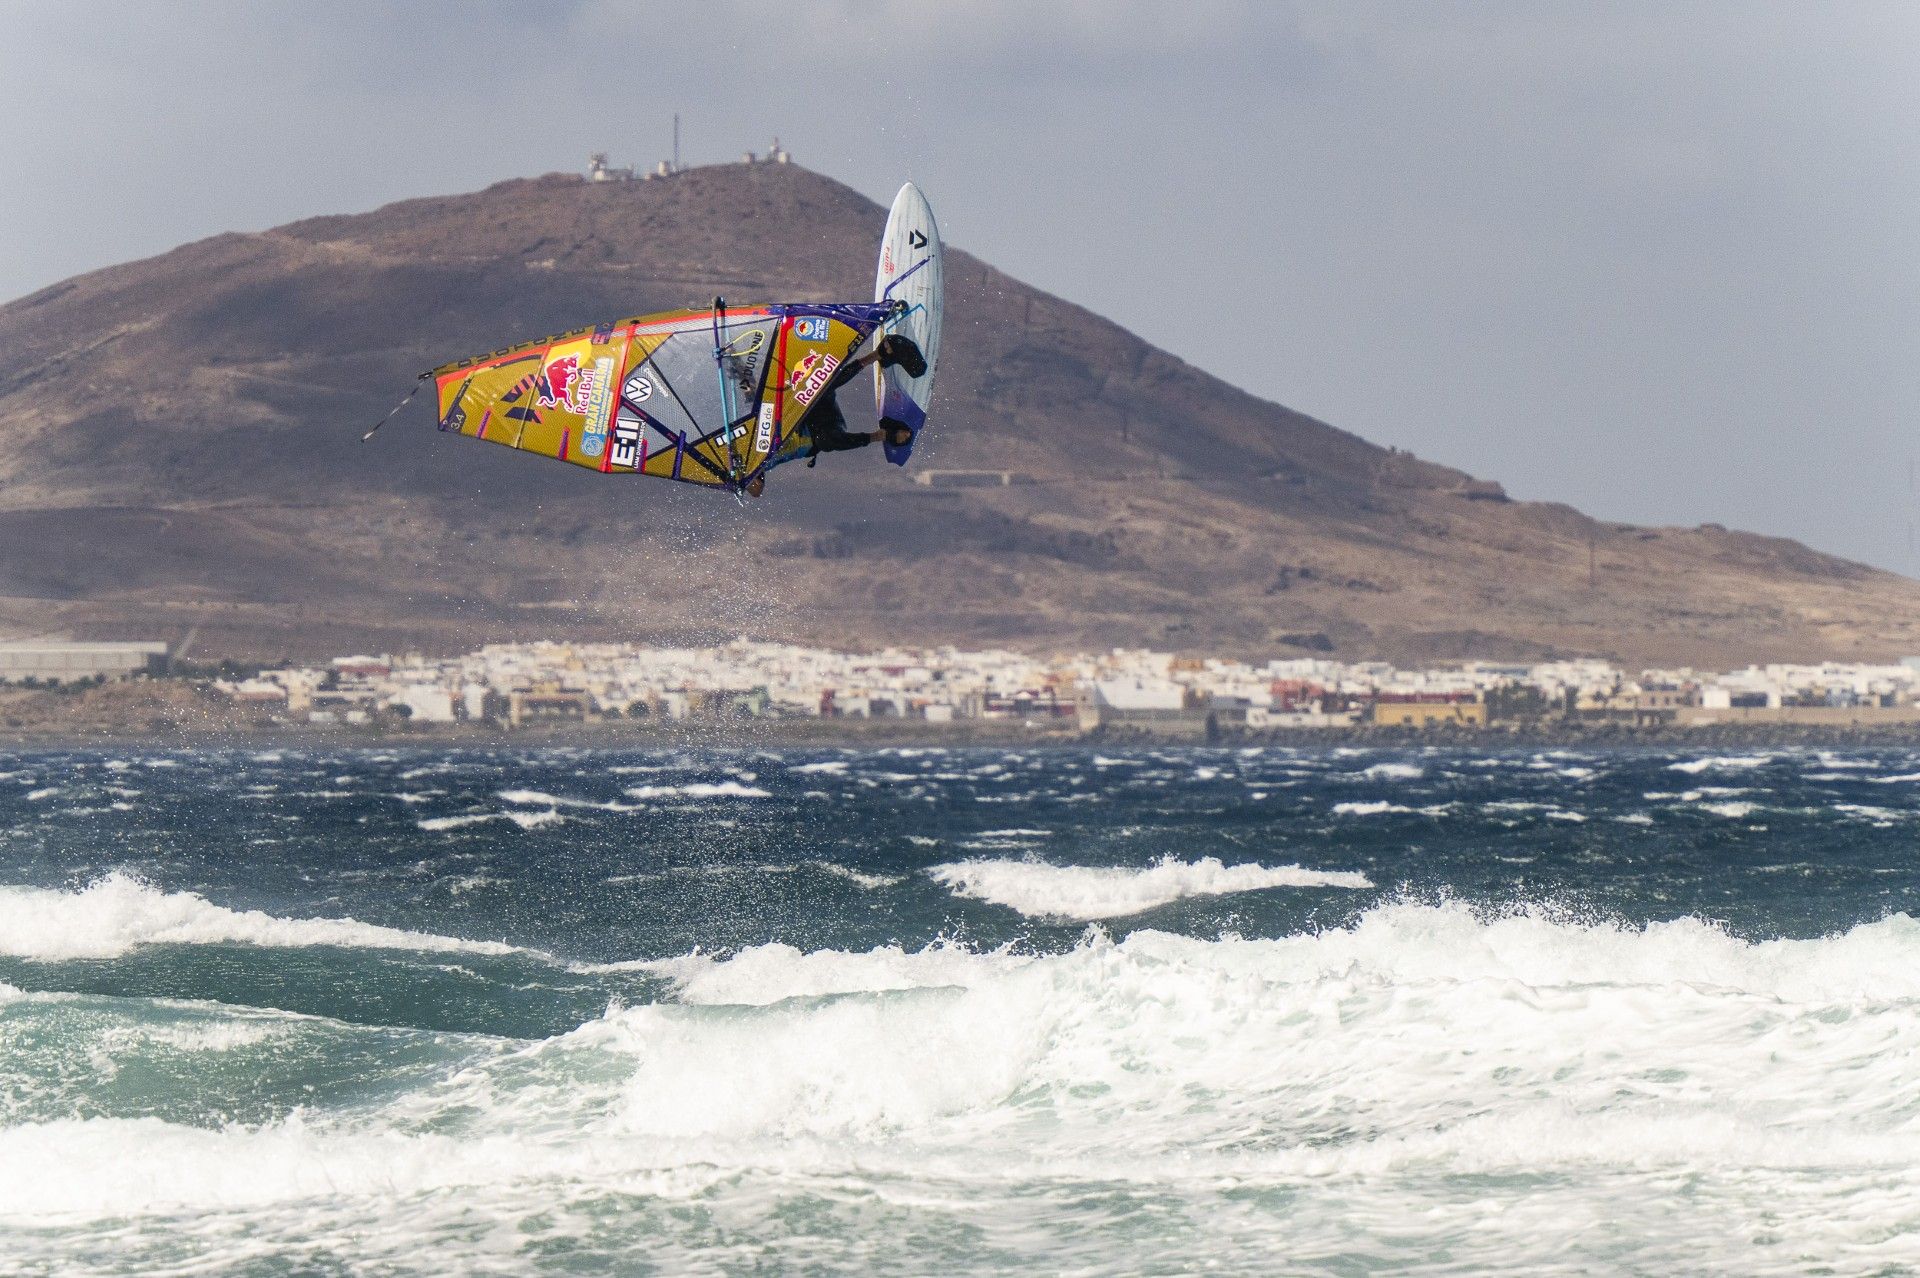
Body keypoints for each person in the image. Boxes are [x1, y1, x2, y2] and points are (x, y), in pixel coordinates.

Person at [745, 334, 925, 496]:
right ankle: (883, 435)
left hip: (804, 411)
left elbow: (750, 390)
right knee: (826, 440)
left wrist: (737, 366)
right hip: (817, 435)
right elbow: (756, 490)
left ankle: (878, 355)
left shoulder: (741, 422)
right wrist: (745, 478)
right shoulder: (743, 463)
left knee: (817, 386)